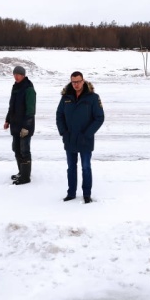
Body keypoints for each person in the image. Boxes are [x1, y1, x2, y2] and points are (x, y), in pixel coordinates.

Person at [56, 71, 105, 203]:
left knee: (86, 167)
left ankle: (87, 194)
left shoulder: (93, 98)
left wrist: (87, 134)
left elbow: (99, 118)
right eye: (73, 82)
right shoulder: (66, 97)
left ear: (83, 81)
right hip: (70, 138)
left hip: (85, 139)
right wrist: (64, 133)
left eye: (78, 81)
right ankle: (71, 193)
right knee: (71, 167)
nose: (76, 84)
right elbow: (59, 115)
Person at [3, 65, 36, 185]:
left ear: (23, 75)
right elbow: (11, 106)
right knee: (16, 149)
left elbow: (31, 111)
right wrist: (7, 120)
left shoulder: (29, 89)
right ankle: (21, 172)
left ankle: (26, 177)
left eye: (19, 74)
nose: (16, 77)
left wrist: (26, 127)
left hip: (25, 126)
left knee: (24, 150)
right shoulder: (15, 87)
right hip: (15, 125)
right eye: (15, 74)